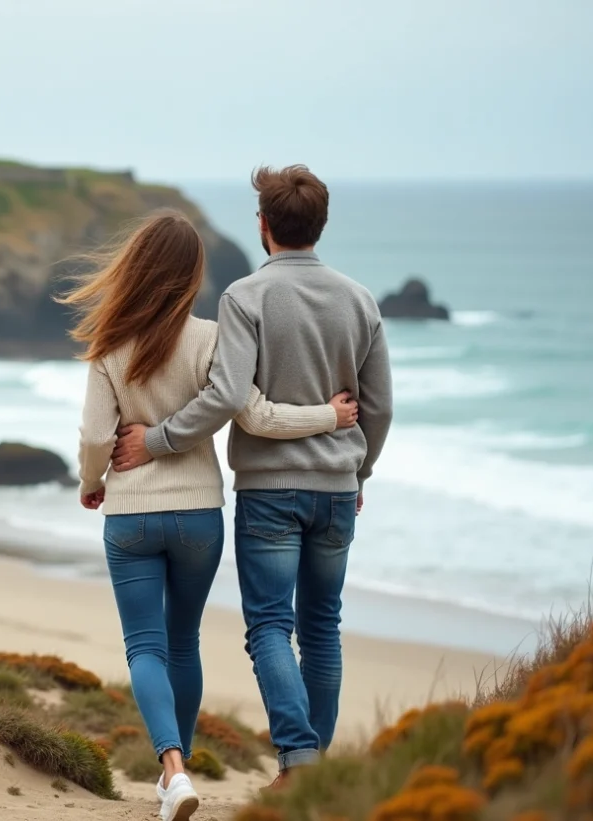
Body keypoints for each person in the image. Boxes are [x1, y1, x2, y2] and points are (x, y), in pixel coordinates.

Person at [63, 210, 360, 821]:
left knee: (144, 645)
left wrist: (93, 482)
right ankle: (191, 767)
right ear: (192, 276)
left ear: (134, 271)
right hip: (199, 513)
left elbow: (96, 436)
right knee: (183, 640)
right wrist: (330, 418)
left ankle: (174, 772)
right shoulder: (209, 339)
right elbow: (256, 416)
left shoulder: (109, 348)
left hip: (132, 517)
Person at [110, 166, 394, 789]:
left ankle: (298, 762)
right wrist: (361, 469)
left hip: (268, 493)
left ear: (263, 225)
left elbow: (228, 395)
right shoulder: (361, 300)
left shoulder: (244, 297)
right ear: (320, 225)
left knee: (270, 626)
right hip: (338, 491)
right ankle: (309, 773)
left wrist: (156, 441)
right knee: (324, 626)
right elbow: (380, 408)